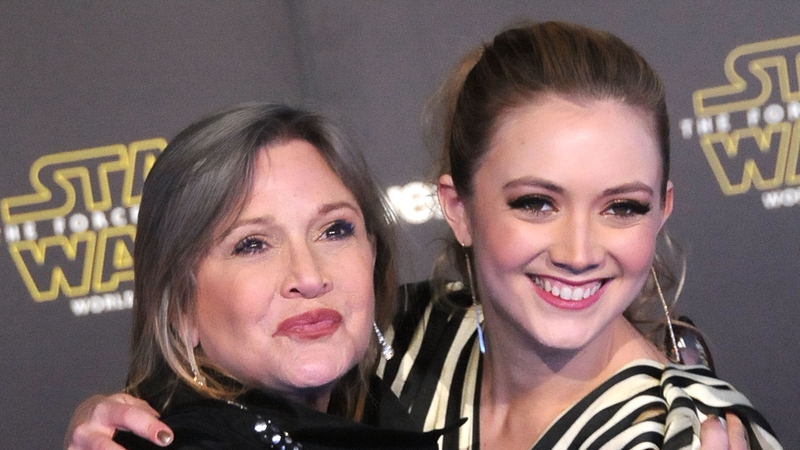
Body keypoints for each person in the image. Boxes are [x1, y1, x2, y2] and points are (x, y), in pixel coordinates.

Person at [65, 22, 779, 450]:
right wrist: (125, 412)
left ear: (662, 211)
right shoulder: (402, 346)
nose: (580, 249)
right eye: (536, 203)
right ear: (458, 209)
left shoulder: (686, 435)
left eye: (622, 207)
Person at [83, 102, 451, 449]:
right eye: (253, 245)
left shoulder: (394, 403)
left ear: (374, 252)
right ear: (179, 303)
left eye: (334, 230)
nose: (308, 277)